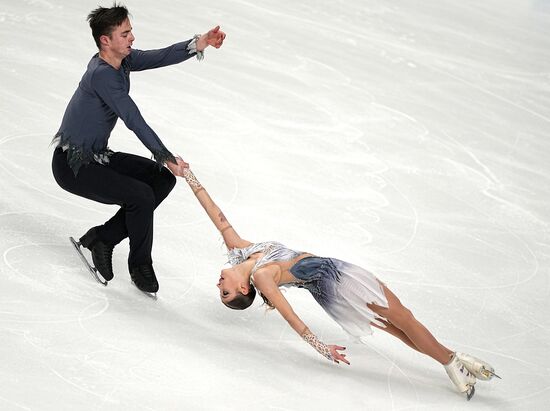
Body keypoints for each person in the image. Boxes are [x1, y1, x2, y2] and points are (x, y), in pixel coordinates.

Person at [178, 166, 500, 400]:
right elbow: (292, 317)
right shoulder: (262, 276)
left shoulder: (242, 251)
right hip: (340, 280)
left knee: (399, 327)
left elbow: (217, 215)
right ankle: (453, 362)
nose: (218, 284)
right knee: (404, 318)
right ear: (244, 290)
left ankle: (453, 360)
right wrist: (321, 348)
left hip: (329, 293)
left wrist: (187, 174)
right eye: (225, 292)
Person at [51, 4, 225, 293]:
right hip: (73, 165)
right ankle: (140, 263)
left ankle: (103, 238)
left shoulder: (123, 61)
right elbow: (133, 118)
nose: (132, 38)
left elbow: (160, 55)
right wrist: (165, 155)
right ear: (105, 41)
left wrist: (200, 42)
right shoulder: (102, 75)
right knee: (141, 196)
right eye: (125, 33)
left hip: (97, 158)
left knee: (161, 179)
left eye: (130, 31)